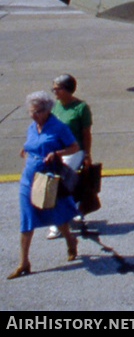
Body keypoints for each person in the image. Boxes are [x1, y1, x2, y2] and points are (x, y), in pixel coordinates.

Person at [10, 91, 79, 279]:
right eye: (30, 111)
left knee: (57, 214)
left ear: (46, 110)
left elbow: (75, 147)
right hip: (28, 178)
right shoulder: (32, 126)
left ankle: (71, 241)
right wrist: (25, 149)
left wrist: (57, 153)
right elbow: (31, 143)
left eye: (37, 111)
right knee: (26, 218)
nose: (33, 115)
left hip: (48, 177)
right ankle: (24, 262)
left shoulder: (58, 127)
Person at [46, 75, 91, 239]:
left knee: (58, 184)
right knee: (58, 184)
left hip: (74, 151)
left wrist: (86, 154)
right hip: (56, 151)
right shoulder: (54, 106)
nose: (54, 92)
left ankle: (56, 224)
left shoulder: (80, 108)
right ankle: (71, 210)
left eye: (57, 88)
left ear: (67, 90)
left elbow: (86, 133)